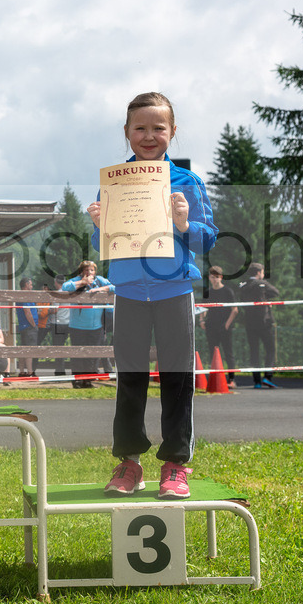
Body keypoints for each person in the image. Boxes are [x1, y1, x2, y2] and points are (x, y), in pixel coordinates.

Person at [86, 92, 217, 500]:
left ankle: (176, 464)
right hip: (127, 291)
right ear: (126, 133)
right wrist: (96, 226)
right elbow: (102, 243)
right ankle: (129, 462)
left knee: (178, 378)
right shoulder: (114, 181)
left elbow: (208, 237)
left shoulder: (188, 182)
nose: (148, 135)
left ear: (172, 133)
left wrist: (183, 225)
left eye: (158, 128)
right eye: (139, 128)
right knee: (130, 379)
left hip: (173, 289)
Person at [60, 261, 113, 388]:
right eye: (86, 270)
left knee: (93, 355)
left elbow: (115, 287)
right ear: (81, 272)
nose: (89, 273)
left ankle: (88, 380)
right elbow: (65, 287)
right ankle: (77, 380)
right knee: (78, 355)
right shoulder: (76, 280)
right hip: (77, 327)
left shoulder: (100, 281)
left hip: (96, 327)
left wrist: (102, 289)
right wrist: (83, 282)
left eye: (92, 270)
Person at [238, 262, 280, 389]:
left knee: (254, 352)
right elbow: (276, 292)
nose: (263, 274)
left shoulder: (243, 285)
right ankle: (267, 377)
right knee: (271, 349)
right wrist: (266, 299)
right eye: (262, 272)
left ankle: (256, 381)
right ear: (258, 273)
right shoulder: (262, 284)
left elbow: (242, 299)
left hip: (249, 323)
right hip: (264, 322)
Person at [199, 265, 238, 388]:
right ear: (209, 278)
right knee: (213, 353)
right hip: (211, 326)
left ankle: (231, 380)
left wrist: (226, 325)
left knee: (228, 353)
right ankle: (215, 378)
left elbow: (235, 310)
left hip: (224, 327)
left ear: (221, 277)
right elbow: (203, 308)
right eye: (212, 277)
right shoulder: (208, 292)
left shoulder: (228, 291)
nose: (214, 279)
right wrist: (201, 320)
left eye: (217, 277)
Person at [15, 277, 38, 377]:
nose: (32, 287)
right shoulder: (25, 296)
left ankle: (22, 371)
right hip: (29, 326)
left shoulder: (21, 295)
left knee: (23, 349)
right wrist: (33, 325)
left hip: (23, 326)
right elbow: (27, 311)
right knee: (30, 350)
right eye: (31, 284)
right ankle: (30, 372)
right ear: (26, 285)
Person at [50, 274, 71, 376]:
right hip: (68, 323)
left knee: (58, 348)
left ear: (56, 282)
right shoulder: (69, 293)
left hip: (57, 324)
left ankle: (59, 371)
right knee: (66, 347)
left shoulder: (57, 294)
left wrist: (47, 310)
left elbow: (55, 309)